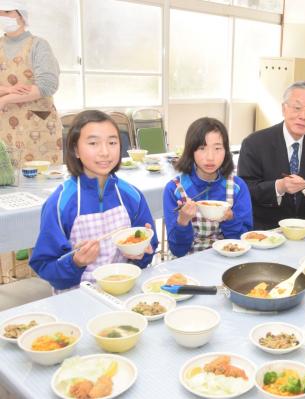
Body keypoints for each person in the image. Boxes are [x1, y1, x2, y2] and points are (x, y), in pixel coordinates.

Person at [29, 111, 158, 292]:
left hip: (124, 292)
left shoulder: (132, 195)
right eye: (93, 143)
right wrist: (75, 262)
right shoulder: (60, 203)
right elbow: (45, 266)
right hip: (77, 297)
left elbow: (147, 252)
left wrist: (141, 252)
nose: (105, 152)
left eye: (112, 143)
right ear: (75, 149)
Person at [237, 81, 305, 230]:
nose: (303, 116)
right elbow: (245, 189)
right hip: (265, 229)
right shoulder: (254, 143)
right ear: (283, 109)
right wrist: (278, 187)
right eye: (297, 108)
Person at [163, 117, 252, 256]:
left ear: (226, 151)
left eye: (217, 148)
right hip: (188, 262)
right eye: (202, 148)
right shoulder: (174, 189)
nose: (210, 157)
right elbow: (177, 251)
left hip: (228, 259)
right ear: (191, 151)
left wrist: (230, 219)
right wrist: (183, 221)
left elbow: (245, 242)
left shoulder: (237, 187)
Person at [0, 0, 62, 165]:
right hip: (5, 127)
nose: (2, 16)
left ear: (21, 16)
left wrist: (5, 99)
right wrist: (8, 89)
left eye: (7, 12)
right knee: (8, 182)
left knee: (42, 182)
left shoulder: (38, 45)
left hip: (38, 126)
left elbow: (47, 85)